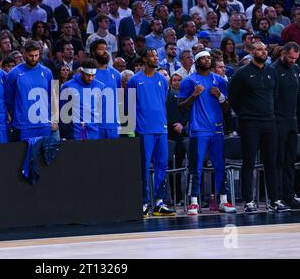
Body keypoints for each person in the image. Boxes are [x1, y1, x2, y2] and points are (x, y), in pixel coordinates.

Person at [229, 42, 290, 213]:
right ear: (251, 51)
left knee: (272, 162)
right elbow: (233, 98)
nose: (263, 52)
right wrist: (244, 114)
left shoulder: (272, 71)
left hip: (269, 121)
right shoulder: (241, 73)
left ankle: (274, 200)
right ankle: (248, 201)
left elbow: (275, 94)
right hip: (249, 122)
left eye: (265, 49)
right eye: (259, 49)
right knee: (248, 162)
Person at [178, 50, 237, 215]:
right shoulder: (189, 81)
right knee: (195, 167)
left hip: (217, 129)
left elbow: (227, 108)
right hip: (198, 129)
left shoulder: (220, 81)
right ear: (196, 62)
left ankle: (223, 201)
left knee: (220, 166)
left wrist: (219, 96)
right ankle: (194, 202)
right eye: (203, 57)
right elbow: (181, 107)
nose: (207, 60)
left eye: (209, 57)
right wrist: (193, 95)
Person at [126, 48, 176, 217]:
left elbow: (162, 103)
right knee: (144, 167)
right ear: (145, 60)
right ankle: (144, 202)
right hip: (143, 129)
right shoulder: (134, 80)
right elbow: (129, 106)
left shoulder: (163, 80)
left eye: (156, 55)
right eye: (152, 56)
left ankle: (160, 202)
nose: (156, 58)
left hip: (161, 129)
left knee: (162, 165)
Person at [272, 42, 300, 209]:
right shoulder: (273, 70)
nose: (293, 60)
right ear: (283, 53)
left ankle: (289, 196)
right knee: (279, 161)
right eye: (290, 57)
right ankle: (277, 198)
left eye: (295, 58)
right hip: (277, 121)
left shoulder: (295, 69)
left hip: (292, 120)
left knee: (290, 161)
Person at [5, 40, 54, 141]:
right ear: (24, 53)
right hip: (22, 125)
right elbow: (8, 100)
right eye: (31, 55)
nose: (34, 58)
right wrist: (16, 117)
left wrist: (55, 120)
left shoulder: (48, 72)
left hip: (44, 124)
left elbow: (54, 96)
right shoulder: (14, 73)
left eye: (36, 55)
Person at [59, 58, 104, 140]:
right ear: (81, 73)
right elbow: (63, 113)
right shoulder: (68, 86)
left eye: (93, 75)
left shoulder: (100, 86)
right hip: (74, 134)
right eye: (88, 75)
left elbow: (102, 111)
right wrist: (68, 134)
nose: (90, 78)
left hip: (95, 133)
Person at [90, 39, 121, 139]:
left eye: (106, 49)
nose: (105, 52)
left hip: (113, 125)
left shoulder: (116, 74)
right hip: (94, 124)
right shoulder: (88, 74)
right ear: (93, 53)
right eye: (101, 49)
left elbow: (120, 99)